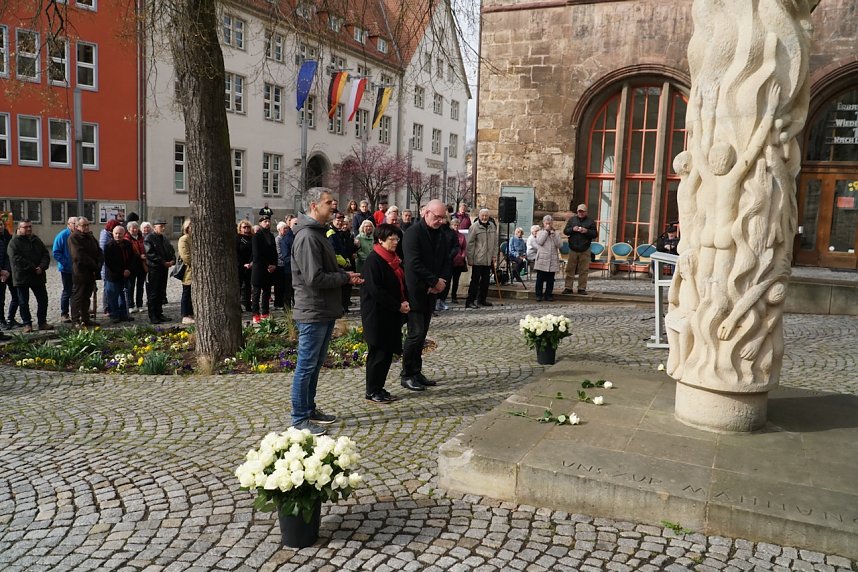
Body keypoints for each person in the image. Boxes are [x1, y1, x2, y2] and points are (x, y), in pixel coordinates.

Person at [291, 187, 363, 435]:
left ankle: (309, 409)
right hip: (313, 310)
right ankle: (300, 418)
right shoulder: (308, 236)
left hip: (322, 309)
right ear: (313, 205)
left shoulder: (318, 233)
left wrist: (345, 276)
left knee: (315, 363)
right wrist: (343, 278)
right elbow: (314, 278)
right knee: (307, 365)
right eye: (328, 202)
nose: (334, 206)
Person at [401, 199, 450, 391]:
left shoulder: (442, 234)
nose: (439, 221)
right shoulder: (413, 233)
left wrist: (442, 282)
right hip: (416, 291)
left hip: (432, 290)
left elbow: (447, 259)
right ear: (426, 213)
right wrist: (433, 281)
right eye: (436, 217)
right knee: (415, 334)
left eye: (442, 217)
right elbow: (413, 263)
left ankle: (416, 371)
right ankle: (407, 374)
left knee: (422, 335)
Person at [360, 223, 409, 404]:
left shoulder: (393, 259)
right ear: (380, 240)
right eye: (392, 239)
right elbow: (376, 290)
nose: (396, 242)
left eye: (397, 238)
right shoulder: (374, 261)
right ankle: (372, 390)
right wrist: (397, 305)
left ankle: (379, 387)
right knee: (378, 354)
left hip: (390, 314)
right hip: (377, 315)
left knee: (386, 353)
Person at [7, 220, 53, 332]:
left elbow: (45, 254)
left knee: (43, 300)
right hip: (22, 277)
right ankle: (27, 324)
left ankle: (42, 322)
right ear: (19, 228)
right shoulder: (13, 242)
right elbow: (16, 259)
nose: (28, 229)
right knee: (23, 302)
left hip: (38, 275)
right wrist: (33, 268)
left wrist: (41, 267)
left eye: (30, 227)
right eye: (25, 227)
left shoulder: (36, 239)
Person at [69, 217, 102, 328]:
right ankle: (75, 320)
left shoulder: (90, 236)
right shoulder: (74, 237)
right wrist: (94, 265)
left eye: (87, 225)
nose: (86, 227)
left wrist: (100, 262)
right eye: (84, 225)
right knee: (78, 296)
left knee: (87, 296)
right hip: (81, 272)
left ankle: (85, 318)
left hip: (91, 272)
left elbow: (99, 250)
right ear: (77, 226)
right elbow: (79, 255)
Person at [465, 208, 497, 309]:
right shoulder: (474, 227)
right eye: (482, 216)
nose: (484, 218)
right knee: (475, 281)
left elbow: (495, 242)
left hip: (488, 259)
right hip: (477, 258)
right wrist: (470, 258)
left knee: (486, 281)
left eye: (486, 216)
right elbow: (470, 244)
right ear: (479, 216)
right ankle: (470, 301)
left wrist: (494, 255)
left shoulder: (492, 226)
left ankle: (482, 299)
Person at [144, 219, 175, 324]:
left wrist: (172, 260)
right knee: (153, 293)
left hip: (163, 269)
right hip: (154, 269)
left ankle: (159, 313)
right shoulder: (149, 238)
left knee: (161, 292)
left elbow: (171, 250)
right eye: (161, 226)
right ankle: (153, 315)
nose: (163, 228)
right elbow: (150, 254)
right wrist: (162, 262)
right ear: (154, 227)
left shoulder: (164, 239)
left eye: (163, 226)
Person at [562, 203, 597, 295]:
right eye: (579, 211)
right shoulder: (572, 220)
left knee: (584, 270)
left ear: (586, 212)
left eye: (582, 211)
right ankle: (568, 287)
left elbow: (594, 234)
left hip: (585, 248)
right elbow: (565, 231)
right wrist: (572, 229)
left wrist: (586, 231)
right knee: (570, 269)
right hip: (573, 248)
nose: (581, 213)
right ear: (577, 212)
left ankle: (581, 288)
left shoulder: (590, 222)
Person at [103, 225, 135, 323]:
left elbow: (132, 258)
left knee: (123, 295)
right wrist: (122, 271)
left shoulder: (128, 244)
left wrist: (129, 269)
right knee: (113, 296)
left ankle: (123, 314)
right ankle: (114, 315)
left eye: (120, 234)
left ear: (124, 234)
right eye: (116, 233)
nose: (117, 235)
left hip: (126, 274)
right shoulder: (108, 246)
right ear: (113, 234)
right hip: (113, 275)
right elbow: (109, 262)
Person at [327, 213, 357, 314]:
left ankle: (343, 307)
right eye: (338, 220)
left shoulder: (338, 232)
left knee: (345, 289)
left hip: (344, 263)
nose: (340, 222)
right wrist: (345, 262)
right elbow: (334, 252)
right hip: (337, 266)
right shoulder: (331, 232)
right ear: (333, 220)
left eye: (341, 220)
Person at [251, 215, 278, 323]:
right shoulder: (256, 236)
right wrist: (267, 265)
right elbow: (257, 254)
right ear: (260, 223)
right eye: (265, 221)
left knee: (267, 291)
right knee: (256, 292)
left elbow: (274, 252)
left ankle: (265, 312)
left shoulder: (271, 236)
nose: (267, 223)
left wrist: (274, 264)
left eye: (268, 221)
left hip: (269, 268)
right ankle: (255, 313)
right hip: (259, 268)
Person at [52, 217, 77, 322]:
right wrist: (67, 264)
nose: (76, 226)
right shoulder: (62, 235)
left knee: (77, 291)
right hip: (66, 269)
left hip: (78, 269)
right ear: (68, 224)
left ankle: (76, 312)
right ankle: (64, 313)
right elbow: (56, 252)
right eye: (74, 223)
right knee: (67, 291)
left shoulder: (78, 235)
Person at [534, 214, 562, 302]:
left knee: (550, 280)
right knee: (540, 279)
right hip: (542, 259)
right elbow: (540, 242)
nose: (548, 225)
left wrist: (553, 236)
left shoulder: (556, 233)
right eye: (546, 223)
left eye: (550, 223)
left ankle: (548, 294)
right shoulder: (540, 232)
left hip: (552, 259)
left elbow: (560, 245)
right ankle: (538, 295)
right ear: (543, 223)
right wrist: (546, 232)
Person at [124, 221, 147, 313]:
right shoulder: (126, 239)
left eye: (135, 228)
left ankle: (140, 304)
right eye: (132, 228)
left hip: (142, 265)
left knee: (140, 286)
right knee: (131, 286)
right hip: (131, 265)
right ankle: (130, 305)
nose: (134, 230)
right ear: (129, 230)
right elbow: (128, 253)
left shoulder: (142, 238)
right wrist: (139, 256)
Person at [99, 219, 119, 316]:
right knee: (107, 288)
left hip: (110, 267)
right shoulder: (105, 236)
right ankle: (106, 307)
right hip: (106, 267)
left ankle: (111, 307)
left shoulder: (107, 235)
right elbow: (103, 253)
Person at [176, 220, 194, 324]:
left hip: (195, 271)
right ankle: (185, 315)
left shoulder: (194, 239)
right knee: (186, 293)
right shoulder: (184, 239)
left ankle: (190, 313)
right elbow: (185, 256)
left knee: (192, 294)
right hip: (189, 271)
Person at [447, 217, 467, 303]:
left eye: (457, 225)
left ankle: (454, 296)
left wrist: (462, 255)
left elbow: (464, 247)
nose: (456, 227)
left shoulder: (461, 236)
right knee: (447, 280)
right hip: (450, 260)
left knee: (456, 280)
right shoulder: (448, 235)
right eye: (454, 225)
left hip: (459, 261)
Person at [236, 220, 253, 312]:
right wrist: (243, 264)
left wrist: (251, 263)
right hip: (241, 265)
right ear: (240, 228)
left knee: (248, 286)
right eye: (244, 227)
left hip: (250, 265)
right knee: (239, 286)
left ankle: (248, 305)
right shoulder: (238, 238)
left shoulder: (252, 238)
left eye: (248, 227)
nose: (246, 229)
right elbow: (237, 252)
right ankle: (238, 305)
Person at [274, 220, 290, 310]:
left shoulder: (286, 239)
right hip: (280, 265)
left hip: (286, 264)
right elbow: (279, 252)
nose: (286, 230)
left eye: (287, 228)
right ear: (279, 230)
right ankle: (278, 303)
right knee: (279, 285)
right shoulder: (278, 239)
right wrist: (286, 258)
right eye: (284, 228)